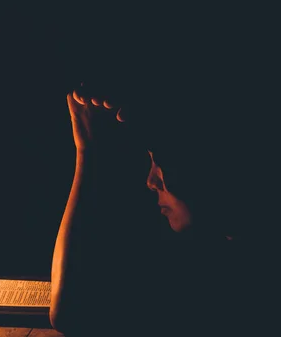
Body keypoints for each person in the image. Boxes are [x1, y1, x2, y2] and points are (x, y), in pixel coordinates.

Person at [48, 80, 267, 335]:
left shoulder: (254, 284)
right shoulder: (231, 253)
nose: (151, 182)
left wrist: (87, 152)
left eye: (160, 162)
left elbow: (73, 314)